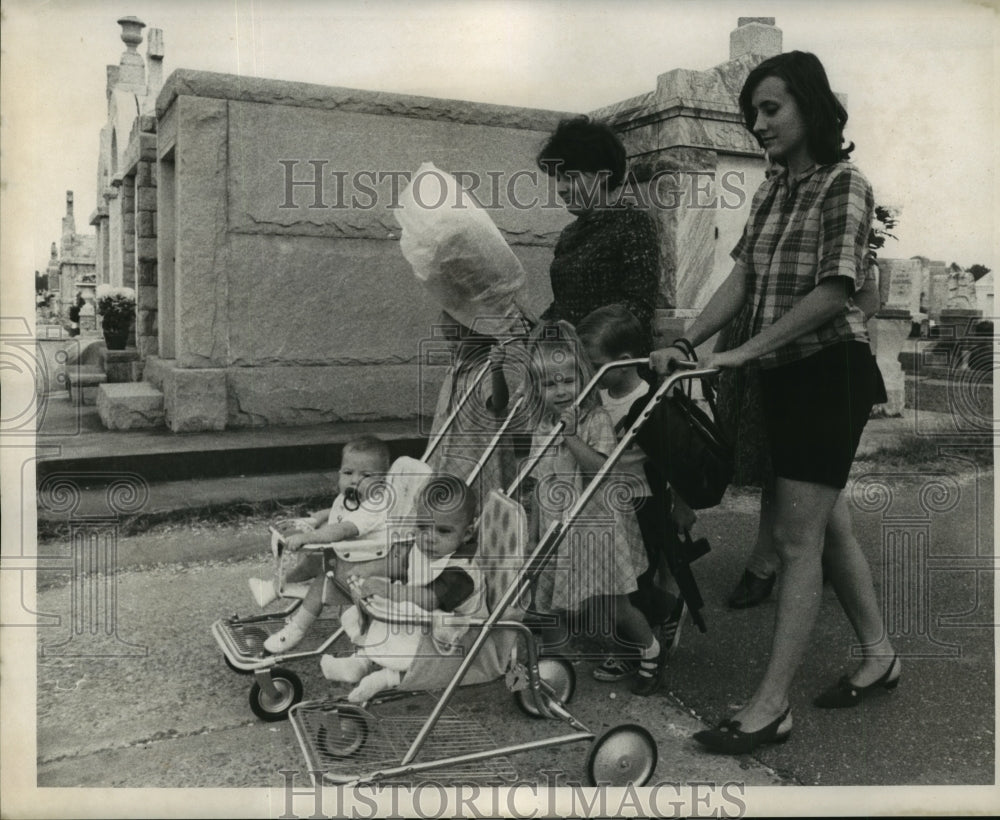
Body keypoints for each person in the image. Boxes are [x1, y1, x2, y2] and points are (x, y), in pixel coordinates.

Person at [651, 51, 897, 753]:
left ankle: (771, 705)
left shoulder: (844, 185)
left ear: (809, 108)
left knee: (795, 540)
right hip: (787, 374)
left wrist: (741, 352)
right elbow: (743, 279)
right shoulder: (772, 192)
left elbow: (834, 292)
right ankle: (879, 656)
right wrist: (691, 336)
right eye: (751, 113)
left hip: (830, 373)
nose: (758, 124)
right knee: (828, 527)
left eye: (771, 109)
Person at [524, 321, 664, 695]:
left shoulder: (594, 419)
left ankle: (650, 649)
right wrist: (533, 531)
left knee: (612, 604)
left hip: (595, 524)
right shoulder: (541, 424)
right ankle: (555, 665)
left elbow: (602, 470)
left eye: (567, 381)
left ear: (584, 378)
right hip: (557, 526)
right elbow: (541, 480)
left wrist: (570, 436)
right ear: (537, 389)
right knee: (548, 602)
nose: (560, 391)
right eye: (549, 384)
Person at [576, 304, 688, 685]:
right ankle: (634, 640)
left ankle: (654, 627)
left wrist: (683, 505)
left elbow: (677, 460)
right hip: (604, 502)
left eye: (593, 364)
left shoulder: (653, 399)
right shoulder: (597, 394)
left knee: (633, 583)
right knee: (611, 581)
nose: (588, 372)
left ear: (623, 362)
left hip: (643, 502)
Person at [320, 472, 486, 703]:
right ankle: (360, 662)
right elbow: (400, 562)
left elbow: (428, 599)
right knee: (388, 612)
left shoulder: (460, 572)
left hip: (453, 635)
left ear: (467, 533)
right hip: (425, 618)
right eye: (422, 527)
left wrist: (389, 591)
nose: (429, 538)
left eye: (443, 531)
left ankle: (387, 678)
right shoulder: (429, 548)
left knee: (400, 609)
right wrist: (367, 570)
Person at [256, 435, 393, 653]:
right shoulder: (354, 497)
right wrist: (317, 518)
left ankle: (296, 629)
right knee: (313, 561)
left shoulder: (375, 507)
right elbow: (337, 511)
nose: (355, 480)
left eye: (366, 475)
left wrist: (307, 538)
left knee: (323, 581)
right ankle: (276, 586)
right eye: (348, 473)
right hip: (350, 558)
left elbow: (343, 528)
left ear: (383, 481)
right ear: (339, 472)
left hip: (369, 568)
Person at [536, 116, 661, 349]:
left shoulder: (633, 224)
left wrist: (585, 340)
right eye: (557, 179)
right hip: (572, 364)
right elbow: (564, 304)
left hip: (614, 368)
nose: (560, 189)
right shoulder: (569, 234)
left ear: (603, 176)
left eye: (570, 177)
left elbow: (638, 306)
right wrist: (539, 326)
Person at [425, 310, 519, 504]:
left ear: (481, 336)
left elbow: (499, 402)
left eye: (457, 338)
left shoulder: (484, 371)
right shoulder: (457, 367)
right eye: (447, 338)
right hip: (449, 447)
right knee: (448, 493)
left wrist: (496, 369)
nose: (451, 344)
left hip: (475, 449)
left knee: (475, 493)